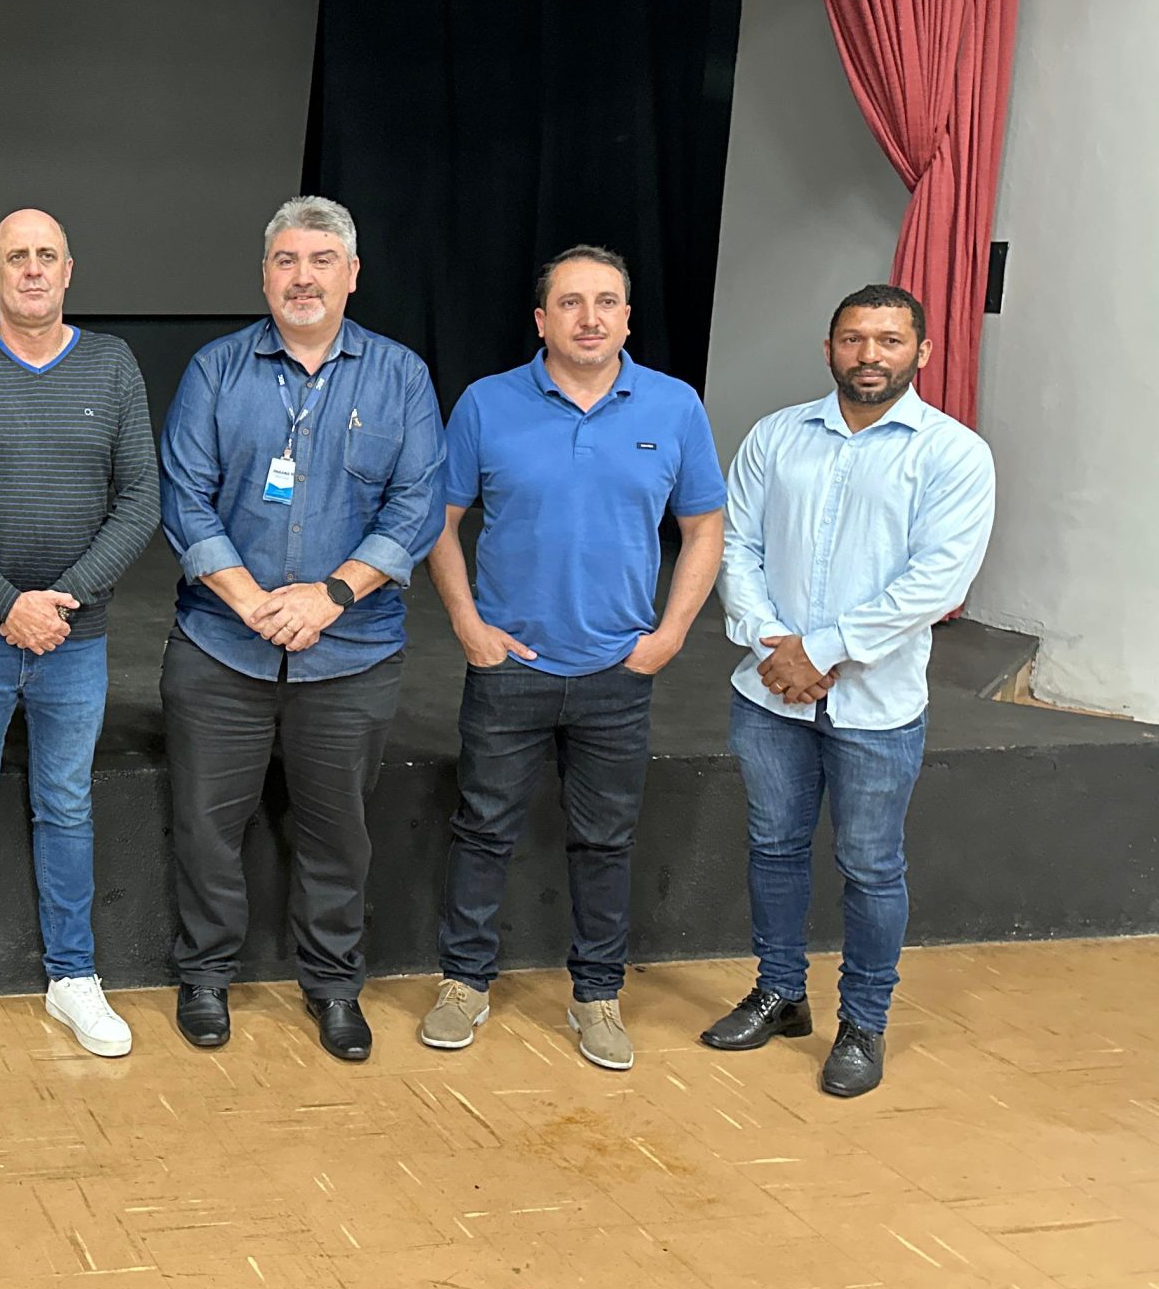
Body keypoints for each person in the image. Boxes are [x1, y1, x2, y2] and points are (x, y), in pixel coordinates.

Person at [420, 248, 725, 1071]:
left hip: (617, 673)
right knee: (483, 829)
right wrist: (469, 626)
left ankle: (597, 996)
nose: (590, 318)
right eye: (570, 302)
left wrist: (670, 635)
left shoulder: (674, 405)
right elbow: (438, 519)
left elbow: (704, 527)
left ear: (627, 317)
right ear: (541, 319)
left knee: (605, 841)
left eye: (606, 302)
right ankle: (463, 984)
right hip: (510, 667)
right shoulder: (487, 404)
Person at [157, 195, 444, 1059]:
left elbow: (415, 507)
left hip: (351, 651)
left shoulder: (400, 377)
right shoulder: (215, 371)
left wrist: (329, 597)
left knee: (338, 834)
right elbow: (185, 497)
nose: (303, 277)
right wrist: (253, 602)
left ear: (352, 274)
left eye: (322, 260)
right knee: (206, 829)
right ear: (265, 275)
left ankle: (333, 986)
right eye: (286, 260)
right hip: (221, 647)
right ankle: (205, 977)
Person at [702, 284, 995, 1098]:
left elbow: (937, 580)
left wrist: (822, 651)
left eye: (889, 340)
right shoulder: (775, 436)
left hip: (877, 705)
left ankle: (863, 1023)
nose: (870, 355)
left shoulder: (954, 454)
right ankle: (780, 994)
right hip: (770, 695)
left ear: (921, 352)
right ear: (828, 348)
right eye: (854, 338)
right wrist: (774, 644)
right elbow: (737, 545)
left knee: (870, 867)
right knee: (773, 847)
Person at [0, 209, 158, 1060]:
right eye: (18, 257)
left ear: (68, 270)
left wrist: (60, 604)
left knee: (68, 807)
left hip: (75, 642)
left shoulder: (113, 364)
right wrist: (6, 604)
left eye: (48, 256)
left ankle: (73, 977)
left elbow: (140, 501)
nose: (34, 269)